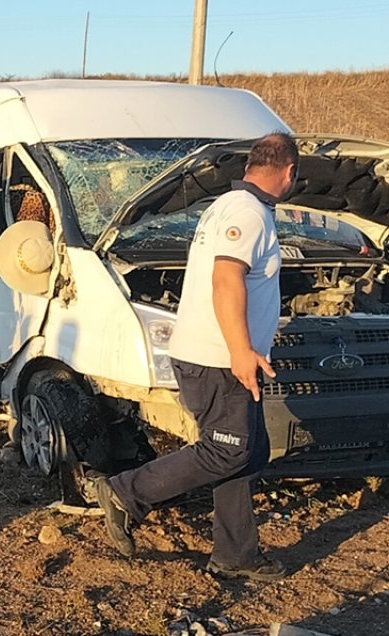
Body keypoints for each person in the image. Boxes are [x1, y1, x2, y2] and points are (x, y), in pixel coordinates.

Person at [94, 133, 298, 582]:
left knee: (248, 451)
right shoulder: (247, 213)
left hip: (218, 355)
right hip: (219, 359)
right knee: (228, 449)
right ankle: (127, 493)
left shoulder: (230, 206)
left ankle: (235, 555)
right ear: (288, 173)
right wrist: (241, 351)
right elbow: (227, 280)